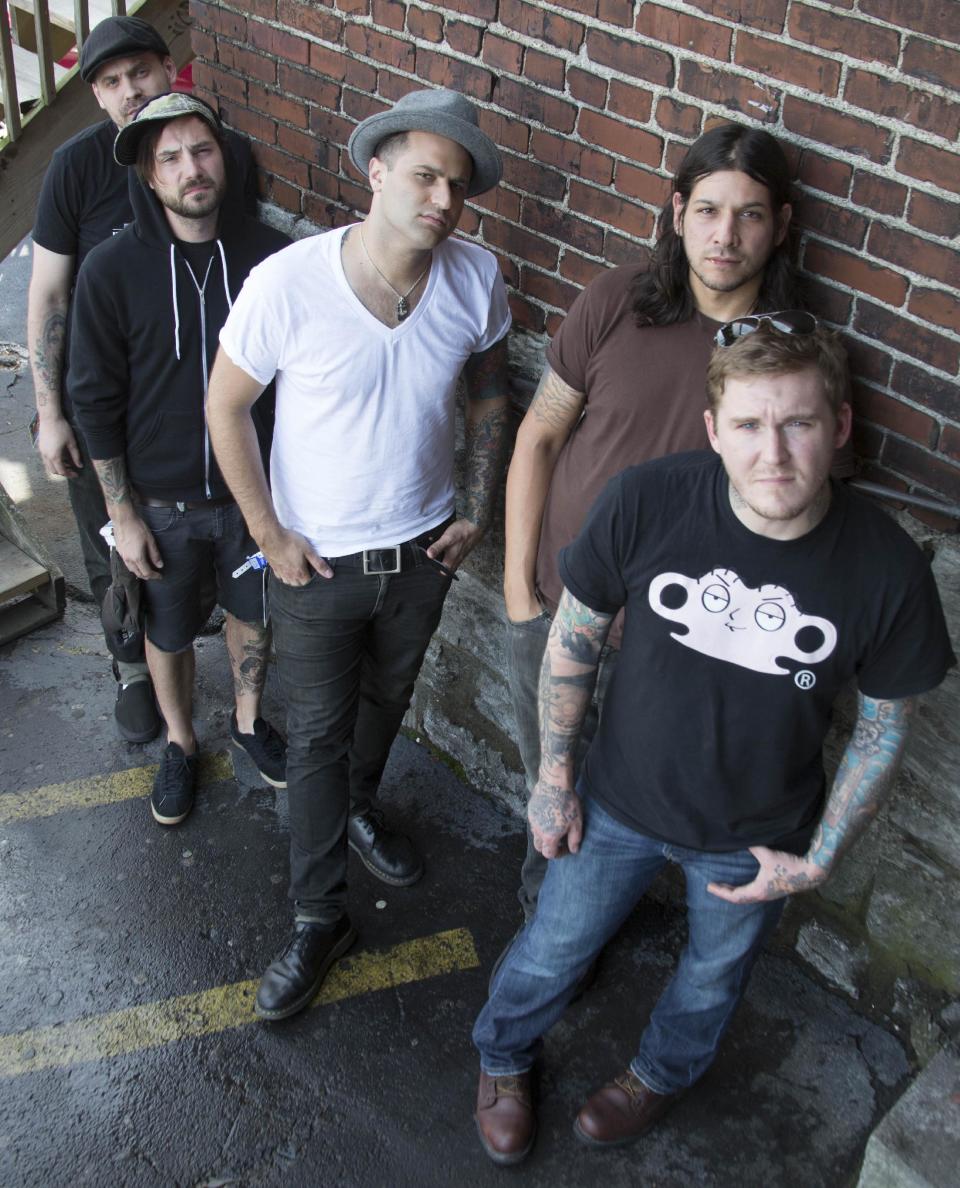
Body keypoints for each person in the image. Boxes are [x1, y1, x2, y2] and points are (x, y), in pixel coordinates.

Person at [471, 318, 954, 1165]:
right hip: (618, 800)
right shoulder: (648, 499)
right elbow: (573, 640)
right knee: (551, 948)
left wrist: (822, 857)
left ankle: (656, 1075)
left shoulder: (888, 570)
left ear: (838, 428)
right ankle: (503, 1058)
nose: (774, 452)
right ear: (713, 431)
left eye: (799, 423)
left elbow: (884, 729)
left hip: (757, 836)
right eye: (748, 425)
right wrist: (554, 775)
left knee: (711, 978)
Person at [501, 122, 858, 934]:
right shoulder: (616, 301)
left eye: (750, 215)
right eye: (706, 210)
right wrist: (521, 591)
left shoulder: (798, 355)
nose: (724, 236)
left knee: (625, 814)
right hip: (563, 616)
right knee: (551, 791)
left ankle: (586, 922)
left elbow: (805, 513)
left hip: (688, 652)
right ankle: (541, 927)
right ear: (676, 213)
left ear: (783, 225)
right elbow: (540, 435)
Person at [206, 88, 512, 1020]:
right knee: (314, 744)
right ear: (376, 173)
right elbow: (226, 407)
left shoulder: (475, 276)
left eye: (457, 187)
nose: (443, 201)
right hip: (318, 566)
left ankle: (364, 804)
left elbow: (492, 395)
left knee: (387, 707)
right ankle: (317, 918)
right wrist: (268, 535)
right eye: (425, 176)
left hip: (421, 555)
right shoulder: (291, 282)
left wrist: (479, 508)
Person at [27, 15, 256, 744]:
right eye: (114, 82)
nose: (132, 91)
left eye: (142, 74)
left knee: (206, 574)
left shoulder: (219, 156)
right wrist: (49, 410)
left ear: (169, 68)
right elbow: (51, 293)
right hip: (109, 400)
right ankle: (131, 668)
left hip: (199, 402)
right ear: (96, 93)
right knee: (118, 548)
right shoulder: (76, 167)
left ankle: (229, 704)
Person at [68, 93, 291, 826]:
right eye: (170, 157)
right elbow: (92, 399)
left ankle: (251, 725)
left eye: (202, 150)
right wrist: (122, 513)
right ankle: (180, 740)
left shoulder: (270, 259)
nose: (191, 169)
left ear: (223, 156)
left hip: (252, 499)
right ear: (147, 172)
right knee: (165, 629)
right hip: (161, 505)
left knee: (252, 613)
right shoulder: (110, 269)